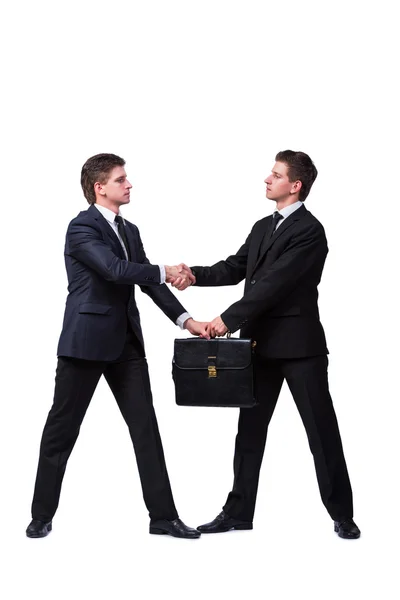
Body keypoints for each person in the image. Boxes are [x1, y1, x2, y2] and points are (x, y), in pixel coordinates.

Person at [173, 150, 360, 539]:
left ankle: (342, 514)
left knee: (321, 431)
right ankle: (238, 513)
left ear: (296, 185)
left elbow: (275, 284)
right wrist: (195, 276)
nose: (267, 179)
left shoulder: (310, 230)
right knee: (250, 432)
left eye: (275, 175)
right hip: (258, 347)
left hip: (299, 349)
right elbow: (237, 267)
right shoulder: (262, 226)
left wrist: (227, 319)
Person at [26, 153, 206, 539]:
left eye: (127, 179)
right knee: (62, 430)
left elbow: (148, 283)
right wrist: (164, 269)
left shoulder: (131, 230)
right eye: (121, 179)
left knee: (146, 429)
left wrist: (187, 321)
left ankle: (163, 517)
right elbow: (115, 270)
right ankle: (41, 514)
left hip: (127, 344)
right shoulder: (81, 227)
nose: (128, 185)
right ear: (99, 187)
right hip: (85, 344)